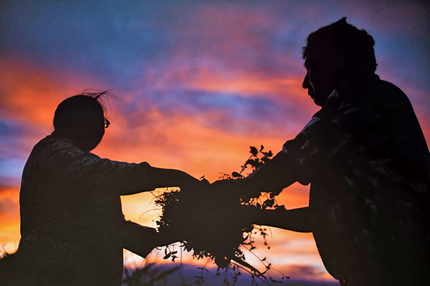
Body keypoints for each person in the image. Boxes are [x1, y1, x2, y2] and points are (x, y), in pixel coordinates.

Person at [217, 18, 430, 286]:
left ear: (335, 65)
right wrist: (254, 215)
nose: (306, 83)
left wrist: (226, 195)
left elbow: (290, 163)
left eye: (312, 70)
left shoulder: (359, 103)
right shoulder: (359, 129)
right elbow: (322, 216)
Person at [13, 91, 206, 286]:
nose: (102, 129)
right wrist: (179, 178)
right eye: (102, 122)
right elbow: (117, 175)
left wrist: (166, 236)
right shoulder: (54, 152)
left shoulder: (80, 170)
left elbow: (113, 228)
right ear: (82, 122)